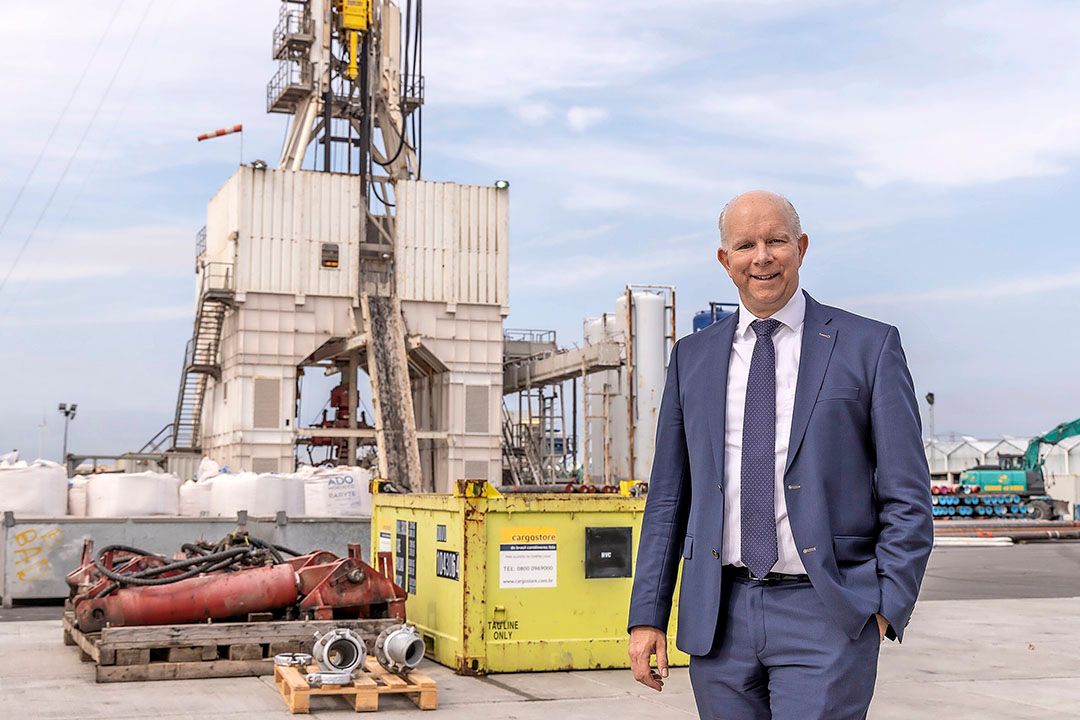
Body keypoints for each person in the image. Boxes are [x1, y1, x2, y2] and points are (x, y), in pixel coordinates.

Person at [626, 190, 933, 719]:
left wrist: (883, 605)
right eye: (745, 245)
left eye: (776, 241)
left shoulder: (869, 346)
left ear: (802, 247)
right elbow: (668, 499)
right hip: (718, 617)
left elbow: (907, 494)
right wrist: (646, 616)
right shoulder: (692, 358)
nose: (762, 257)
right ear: (725, 261)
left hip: (827, 613)